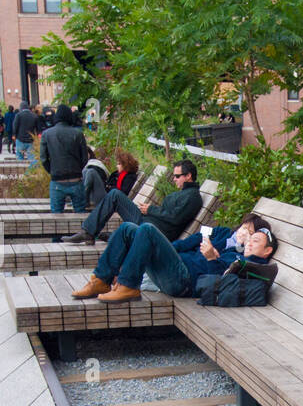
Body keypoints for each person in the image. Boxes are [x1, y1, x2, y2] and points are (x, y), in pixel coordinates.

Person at [71, 214, 276, 303]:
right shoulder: (223, 235)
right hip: (177, 266)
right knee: (127, 229)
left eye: (252, 236)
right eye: (244, 229)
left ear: (265, 249)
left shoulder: (245, 260)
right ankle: (100, 280)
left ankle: (128, 286)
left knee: (148, 230)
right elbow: (193, 241)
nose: (246, 237)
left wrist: (213, 258)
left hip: (184, 281)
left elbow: (222, 280)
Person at [60, 159, 202, 245]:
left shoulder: (192, 197)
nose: (174, 179)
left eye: (177, 176)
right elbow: (170, 213)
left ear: (188, 176)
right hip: (147, 222)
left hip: (152, 229)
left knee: (115, 195)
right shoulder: (184, 194)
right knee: (115, 195)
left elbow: (175, 218)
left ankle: (92, 232)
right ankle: (92, 232)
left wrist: (151, 209)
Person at [39, 105, 90, 212]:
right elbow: (85, 157)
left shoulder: (47, 134)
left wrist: (52, 170)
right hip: (76, 178)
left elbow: (43, 158)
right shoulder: (78, 134)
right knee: (80, 213)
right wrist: (78, 169)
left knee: (56, 217)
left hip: (57, 179)